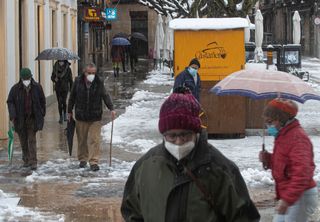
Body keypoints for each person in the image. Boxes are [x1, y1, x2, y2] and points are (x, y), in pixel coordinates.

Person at [121, 88, 260, 221]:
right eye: (172, 136)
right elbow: (131, 211)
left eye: (185, 134)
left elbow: (244, 216)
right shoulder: (146, 166)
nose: (179, 141)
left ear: (196, 132)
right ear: (163, 135)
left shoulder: (220, 169)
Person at [259, 98, 318, 222]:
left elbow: (302, 172)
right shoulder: (284, 135)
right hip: (291, 195)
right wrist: (268, 159)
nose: (268, 126)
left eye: (270, 122)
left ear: (281, 119)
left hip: (300, 196)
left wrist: (287, 199)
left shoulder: (297, 138)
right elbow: (285, 164)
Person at [67, 63, 116, 171]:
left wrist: (111, 108)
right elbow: (72, 97)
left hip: (95, 116)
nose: (91, 75)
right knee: (82, 140)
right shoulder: (78, 81)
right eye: (89, 73)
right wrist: (69, 111)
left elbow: (105, 95)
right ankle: (83, 159)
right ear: (85, 72)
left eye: (93, 73)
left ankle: (94, 161)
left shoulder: (99, 82)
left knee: (95, 140)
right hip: (81, 115)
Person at [7, 68, 46, 170]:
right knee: (23, 140)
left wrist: (42, 113)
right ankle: (26, 159)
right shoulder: (15, 89)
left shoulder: (37, 87)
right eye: (24, 79)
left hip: (32, 118)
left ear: (31, 77)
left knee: (32, 140)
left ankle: (33, 161)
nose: (26, 80)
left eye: (28, 78)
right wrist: (12, 114)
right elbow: (10, 101)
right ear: (21, 78)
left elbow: (42, 101)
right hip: (20, 119)